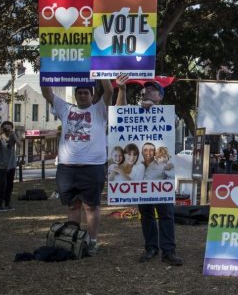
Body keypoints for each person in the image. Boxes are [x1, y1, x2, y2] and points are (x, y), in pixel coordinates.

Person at [116, 75, 183, 266]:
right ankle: (151, 247)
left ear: (160, 96)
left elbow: (175, 124)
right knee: (146, 213)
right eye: (146, 89)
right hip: (142, 178)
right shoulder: (134, 111)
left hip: (161, 178)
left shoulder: (168, 114)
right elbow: (119, 113)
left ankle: (168, 251)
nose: (148, 91)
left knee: (166, 213)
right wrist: (121, 90)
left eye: (153, 89)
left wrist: (154, 110)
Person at [41, 79, 113, 255]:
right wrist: (44, 71)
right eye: (79, 93)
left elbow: (109, 91)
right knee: (73, 206)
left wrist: (102, 71)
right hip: (67, 168)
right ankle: (73, 239)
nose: (82, 95)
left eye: (86, 93)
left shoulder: (99, 110)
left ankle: (93, 241)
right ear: (75, 95)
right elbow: (47, 93)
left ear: (92, 95)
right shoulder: (66, 109)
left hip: (92, 167)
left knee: (91, 207)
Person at [0, 121, 17, 211]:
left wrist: (13, 134)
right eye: (6, 127)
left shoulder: (12, 136)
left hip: (11, 164)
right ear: (3, 128)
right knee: (3, 185)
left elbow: (20, 144)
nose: (8, 129)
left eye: (10, 127)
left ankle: (7, 204)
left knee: (10, 186)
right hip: (1, 165)